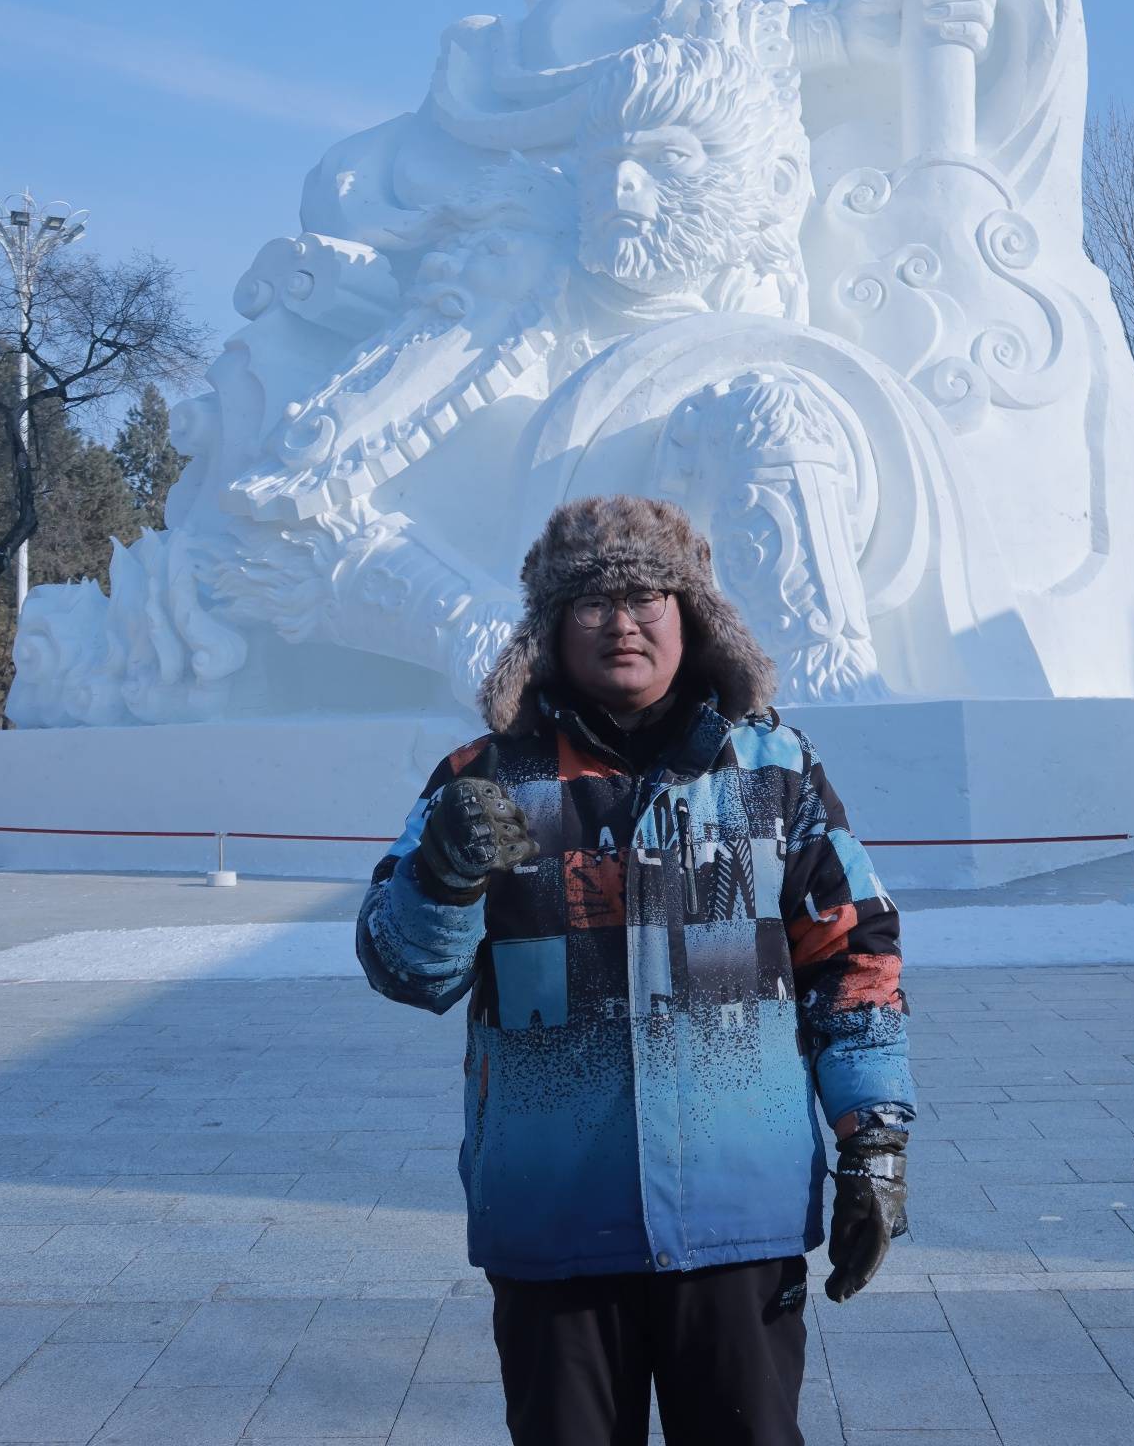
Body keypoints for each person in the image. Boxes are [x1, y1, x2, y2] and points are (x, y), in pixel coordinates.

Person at [357, 495, 914, 1445]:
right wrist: (443, 876)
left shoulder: (774, 769)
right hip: (555, 1221)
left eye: (650, 594)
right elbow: (406, 968)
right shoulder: (481, 778)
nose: (624, 621)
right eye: (592, 602)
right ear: (549, 627)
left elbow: (853, 960)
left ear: (690, 615)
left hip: (742, 1213)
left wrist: (875, 1141)